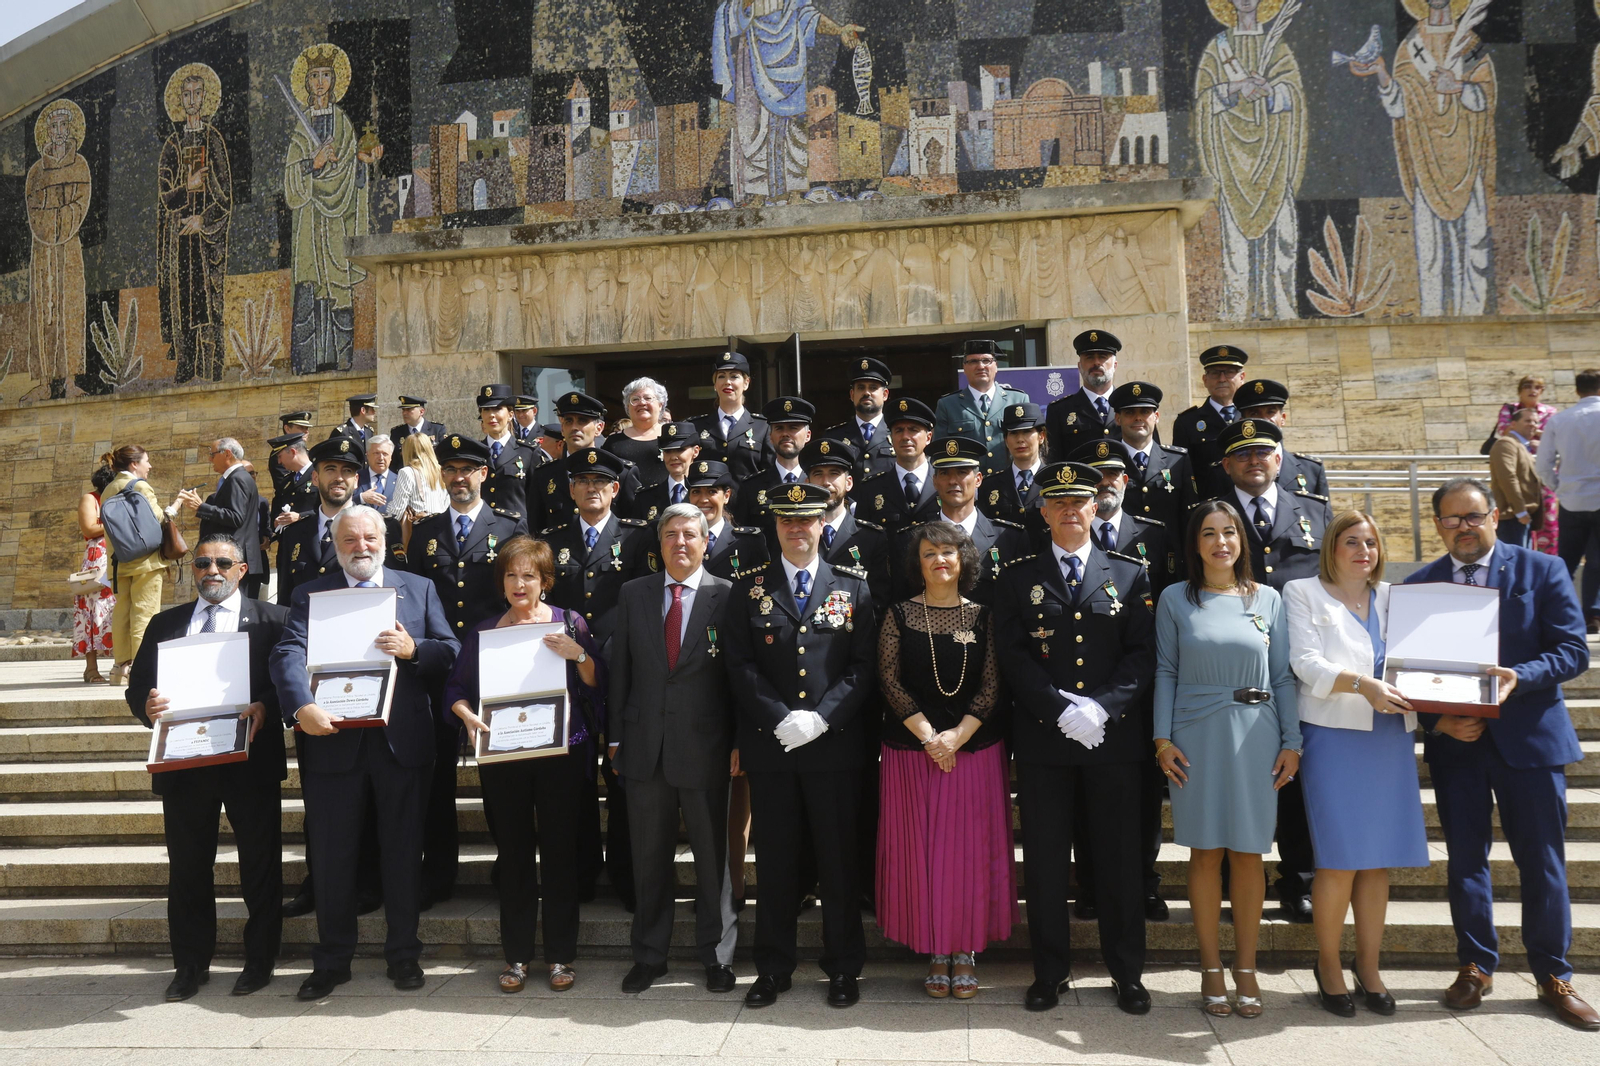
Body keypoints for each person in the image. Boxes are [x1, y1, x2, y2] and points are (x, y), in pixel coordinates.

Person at [1405, 478, 1598, 1031]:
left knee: (1543, 862)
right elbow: (1407, 673)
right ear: (1438, 525)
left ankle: (1553, 974)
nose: (1463, 528)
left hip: (1530, 741)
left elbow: (1572, 651)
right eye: (1451, 519)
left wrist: (1519, 676)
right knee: (1466, 861)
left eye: (1472, 516)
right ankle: (1475, 966)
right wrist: (1436, 720)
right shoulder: (1419, 586)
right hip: (1458, 746)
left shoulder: (1544, 569)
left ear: (1494, 516)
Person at [268, 505, 459, 1000]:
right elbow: (287, 652)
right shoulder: (311, 594)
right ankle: (332, 961)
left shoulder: (418, 587)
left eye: (369, 538)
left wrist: (414, 649)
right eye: (350, 539)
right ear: (335, 545)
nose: (361, 547)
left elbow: (451, 650)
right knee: (332, 857)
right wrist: (301, 705)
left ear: (384, 540)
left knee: (403, 853)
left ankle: (404, 954)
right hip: (333, 741)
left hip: (402, 743)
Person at [995, 460, 1155, 1015]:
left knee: (1118, 860)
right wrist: (1058, 708)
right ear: (1043, 511)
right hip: (1045, 739)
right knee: (1044, 862)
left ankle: (1127, 972)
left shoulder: (1129, 573)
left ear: (1095, 507)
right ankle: (1049, 972)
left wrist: (1101, 708)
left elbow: (1142, 654)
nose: (1069, 510)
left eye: (1078, 501)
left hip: (1112, 741)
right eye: (1057, 502)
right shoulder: (1018, 575)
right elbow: (1011, 653)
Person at [724, 482, 875, 1009]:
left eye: (806, 519)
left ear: (821, 525)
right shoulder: (749, 588)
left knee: (838, 863)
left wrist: (823, 718)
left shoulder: (852, 587)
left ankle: (843, 967)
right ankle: (773, 967)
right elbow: (738, 663)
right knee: (777, 863)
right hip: (774, 747)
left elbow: (863, 667)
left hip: (834, 750)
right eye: (787, 520)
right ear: (775, 526)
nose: (796, 529)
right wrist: (779, 717)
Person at [1154, 500, 1300, 1019]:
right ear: (1195, 544)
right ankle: (1210, 966)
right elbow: (1166, 671)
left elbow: (1282, 676)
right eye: (1209, 533)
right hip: (1195, 735)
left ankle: (1247, 968)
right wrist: (1162, 740)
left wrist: (1292, 741)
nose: (1221, 542)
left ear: (1242, 540)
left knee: (1249, 853)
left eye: (1230, 532)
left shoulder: (1269, 599)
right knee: (1205, 852)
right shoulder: (1175, 598)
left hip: (1258, 734)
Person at [127, 535, 288, 1001]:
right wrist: (147, 707)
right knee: (188, 868)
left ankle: (260, 961)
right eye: (202, 563)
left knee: (260, 865)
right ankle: (190, 965)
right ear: (193, 570)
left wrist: (265, 705)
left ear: (242, 569)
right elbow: (138, 688)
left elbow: (290, 681)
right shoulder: (165, 624)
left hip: (250, 762)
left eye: (222, 562)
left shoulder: (273, 620)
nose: (211, 570)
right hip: (185, 763)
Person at [444, 535, 603, 993]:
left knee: (559, 854)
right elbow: (455, 689)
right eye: (511, 575)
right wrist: (465, 714)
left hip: (561, 756)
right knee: (513, 855)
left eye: (529, 575)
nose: (519, 584)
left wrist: (579, 654)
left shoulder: (570, 623)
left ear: (545, 581)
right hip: (504, 758)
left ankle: (560, 957)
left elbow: (597, 682)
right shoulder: (484, 632)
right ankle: (515, 957)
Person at [1284, 511, 1428, 1017]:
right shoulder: (1302, 592)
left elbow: (1424, 661)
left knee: (1376, 860)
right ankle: (1328, 965)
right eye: (1351, 541)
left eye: (1370, 542)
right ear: (1331, 547)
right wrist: (1361, 684)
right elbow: (1304, 662)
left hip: (1389, 738)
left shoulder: (1396, 599)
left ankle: (1369, 966)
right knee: (1338, 859)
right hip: (1333, 736)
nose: (1363, 551)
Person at [607, 504, 741, 994]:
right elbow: (620, 669)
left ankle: (717, 957)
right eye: (670, 535)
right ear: (659, 543)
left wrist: (739, 741)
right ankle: (649, 955)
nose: (680, 543)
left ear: (706, 542)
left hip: (707, 748)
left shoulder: (729, 595)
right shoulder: (633, 593)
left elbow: (738, 677)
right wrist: (615, 736)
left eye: (689, 534)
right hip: (645, 746)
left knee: (713, 860)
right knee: (648, 858)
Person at [877, 522, 1014, 999]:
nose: (939, 559)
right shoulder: (898, 614)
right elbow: (889, 680)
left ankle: (965, 949)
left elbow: (993, 684)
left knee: (967, 856)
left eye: (948, 551)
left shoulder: (983, 616)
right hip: (912, 753)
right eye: (929, 552)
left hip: (973, 750)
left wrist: (957, 736)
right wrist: (930, 737)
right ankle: (936, 948)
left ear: (963, 559)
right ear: (917, 563)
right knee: (924, 855)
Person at [402, 435, 529, 906]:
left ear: (483, 475)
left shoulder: (510, 527)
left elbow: (521, 595)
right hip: (437, 671)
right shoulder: (426, 532)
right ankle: (438, 874)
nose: (459, 478)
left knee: (501, 778)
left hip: (495, 666)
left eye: (467, 470)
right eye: (451, 470)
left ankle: (511, 868)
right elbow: (414, 599)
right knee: (437, 780)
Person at [1064, 438, 1175, 924]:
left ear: (1126, 481)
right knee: (1081, 797)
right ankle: (1090, 884)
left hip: (1136, 690)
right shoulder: (1059, 531)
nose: (1105, 482)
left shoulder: (1155, 535)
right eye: (1096, 476)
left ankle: (1144, 884)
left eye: (1112, 474)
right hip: (1076, 690)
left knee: (1143, 797)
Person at [889, 436, 1030, 606]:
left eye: (962, 472)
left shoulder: (1009, 538)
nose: (953, 481)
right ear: (935, 481)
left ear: (978, 479)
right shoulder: (910, 539)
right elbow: (901, 604)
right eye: (944, 473)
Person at [1538, 368, 1600, 632]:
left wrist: (1559, 488)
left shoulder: (1559, 420)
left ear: (1577, 390)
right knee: (1597, 562)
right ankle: (1593, 614)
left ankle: (1558, 612)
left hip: (1571, 499)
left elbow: (1543, 465)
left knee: (1567, 560)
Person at [104, 445, 168, 688]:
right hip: (146, 561)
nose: (149, 466)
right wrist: (176, 506)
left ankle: (119, 667)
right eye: (146, 461)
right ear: (134, 464)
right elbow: (159, 519)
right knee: (145, 614)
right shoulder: (140, 486)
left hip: (118, 562)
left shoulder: (108, 489)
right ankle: (141, 670)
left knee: (121, 614)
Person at [275, 436, 363, 607]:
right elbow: (285, 599)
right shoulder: (294, 533)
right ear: (315, 478)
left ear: (356, 480)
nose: (339, 478)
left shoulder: (377, 529)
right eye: (330, 469)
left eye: (347, 471)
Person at [538, 390, 644, 528]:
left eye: (582, 421)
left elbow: (635, 530)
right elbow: (535, 528)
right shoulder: (544, 474)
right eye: (569, 421)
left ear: (599, 428)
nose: (574, 427)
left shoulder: (623, 473)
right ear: (562, 429)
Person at [804, 437, 889, 607]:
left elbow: (879, 600)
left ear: (849, 483)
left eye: (834, 473)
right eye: (818, 474)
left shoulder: (871, 538)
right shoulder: (796, 534)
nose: (826, 482)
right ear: (807, 483)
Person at [177, 438, 265, 599]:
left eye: (213, 454)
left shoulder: (237, 478)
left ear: (227, 454)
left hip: (236, 557)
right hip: (239, 557)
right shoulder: (239, 477)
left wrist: (201, 507)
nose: (210, 459)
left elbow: (236, 517)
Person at [1111, 380, 1197, 533]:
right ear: (1118, 418)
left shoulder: (1178, 460)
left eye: (1145, 411)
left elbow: (1189, 516)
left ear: (1156, 416)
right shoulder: (1108, 461)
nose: (1138, 418)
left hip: (1168, 547)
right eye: (1130, 412)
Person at [934, 339, 1029, 475]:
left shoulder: (1018, 399)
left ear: (996, 366)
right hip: (968, 484)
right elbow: (941, 453)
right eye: (973, 361)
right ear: (964, 367)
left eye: (986, 361)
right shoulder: (948, 405)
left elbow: (1029, 448)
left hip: (1009, 482)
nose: (980, 366)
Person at [1489, 376, 1558, 555]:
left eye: (1538, 387)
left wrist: (1537, 438)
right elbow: (1504, 430)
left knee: (1546, 524)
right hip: (1520, 468)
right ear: (1520, 390)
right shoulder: (1510, 409)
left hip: (1542, 475)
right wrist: (1540, 435)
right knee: (1518, 538)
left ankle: (1545, 562)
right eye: (1527, 386)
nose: (1532, 390)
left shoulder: (1550, 411)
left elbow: (1556, 436)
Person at [1233, 379, 1329, 501]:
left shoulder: (1311, 469)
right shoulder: (1228, 470)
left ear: (1283, 418)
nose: (1264, 419)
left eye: (1271, 412)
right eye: (1254, 413)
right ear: (1242, 422)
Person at [855, 397, 941, 529]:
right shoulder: (871, 489)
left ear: (928, 438)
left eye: (913, 430)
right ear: (890, 438)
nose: (905, 437)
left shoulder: (944, 482)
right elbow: (863, 537)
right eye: (899, 430)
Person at [734, 396, 815, 532]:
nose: (785, 434)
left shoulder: (817, 482)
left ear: (808, 435)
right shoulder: (750, 487)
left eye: (793, 428)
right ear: (770, 436)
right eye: (779, 428)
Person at [1171, 345, 1248, 484]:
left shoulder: (1252, 417)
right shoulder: (1187, 422)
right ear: (1205, 380)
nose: (1222, 379)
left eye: (1229, 372)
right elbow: (1182, 475)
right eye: (1215, 373)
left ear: (1242, 377)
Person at [692, 349, 772, 483]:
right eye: (721, 376)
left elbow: (769, 472)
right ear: (715, 384)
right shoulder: (696, 426)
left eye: (734, 376)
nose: (727, 382)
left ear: (746, 383)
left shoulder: (763, 427)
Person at [684, 458, 770, 580]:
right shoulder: (678, 540)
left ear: (726, 496)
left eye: (712, 491)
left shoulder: (748, 543)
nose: (703, 500)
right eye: (696, 492)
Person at [978, 401, 1048, 549]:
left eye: (1027, 431)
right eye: (1013, 433)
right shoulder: (989, 486)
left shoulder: (1054, 481)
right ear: (1005, 440)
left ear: (1041, 436)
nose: (1020, 439)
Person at [1044, 330, 1121, 460]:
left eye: (1102, 357)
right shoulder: (1059, 410)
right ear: (1079, 366)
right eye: (1089, 357)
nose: (1096, 363)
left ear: (1115, 365)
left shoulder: (1129, 406)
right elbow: (1054, 461)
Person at [820, 355, 897, 481]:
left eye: (873, 388)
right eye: (861, 387)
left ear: (885, 394)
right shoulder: (834, 437)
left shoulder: (897, 432)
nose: (866, 392)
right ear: (852, 394)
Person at [476, 383, 544, 523]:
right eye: (486, 410)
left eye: (497, 409)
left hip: (517, 530)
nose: (491, 415)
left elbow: (537, 500)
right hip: (482, 529)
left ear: (510, 414)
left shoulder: (528, 452)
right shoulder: (475, 452)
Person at [74, 463, 117, 683]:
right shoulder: (91, 499)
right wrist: (118, 522)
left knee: (117, 609)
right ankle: (91, 668)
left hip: (120, 555)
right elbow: (89, 528)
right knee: (91, 609)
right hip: (97, 559)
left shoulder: (121, 500)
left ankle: (121, 665)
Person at [1489, 408, 1544, 550]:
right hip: (1512, 517)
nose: (1533, 425)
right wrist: (1520, 511)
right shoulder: (1506, 444)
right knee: (1514, 560)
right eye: (1527, 420)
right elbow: (1507, 478)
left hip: (1521, 517)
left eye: (1536, 422)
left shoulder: (1522, 446)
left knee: (1522, 560)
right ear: (1513, 424)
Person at [605, 377, 670, 487]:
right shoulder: (613, 442)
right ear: (628, 407)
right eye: (635, 399)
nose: (642, 403)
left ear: (660, 405)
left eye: (648, 398)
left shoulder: (671, 437)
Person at [634, 420, 700, 522]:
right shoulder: (645, 497)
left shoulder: (705, 494)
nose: (673, 457)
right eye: (668, 451)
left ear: (695, 451)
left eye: (680, 450)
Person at [384, 432, 449, 523]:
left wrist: (388, 507)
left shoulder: (407, 472)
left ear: (406, 451)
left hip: (421, 526)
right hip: (442, 525)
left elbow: (397, 512)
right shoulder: (442, 470)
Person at [358, 435, 397, 509]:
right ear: (368, 455)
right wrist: (361, 498)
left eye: (385, 454)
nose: (381, 458)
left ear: (391, 457)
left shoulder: (399, 480)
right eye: (376, 453)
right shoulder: (356, 478)